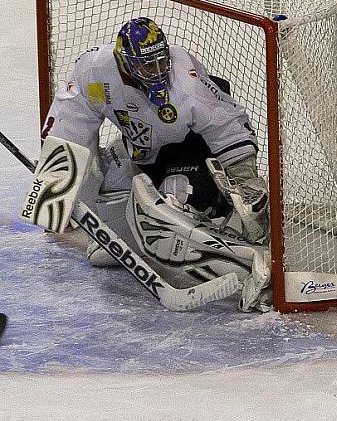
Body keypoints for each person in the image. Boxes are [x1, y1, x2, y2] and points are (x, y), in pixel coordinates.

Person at [40, 17, 271, 311]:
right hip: (143, 154)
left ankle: (238, 263)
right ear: (125, 63)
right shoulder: (96, 73)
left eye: (163, 62)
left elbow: (227, 127)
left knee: (165, 211)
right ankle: (155, 238)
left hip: (193, 154)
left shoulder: (185, 82)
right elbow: (72, 118)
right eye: (149, 66)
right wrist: (57, 182)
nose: (160, 72)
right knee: (103, 210)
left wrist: (245, 179)